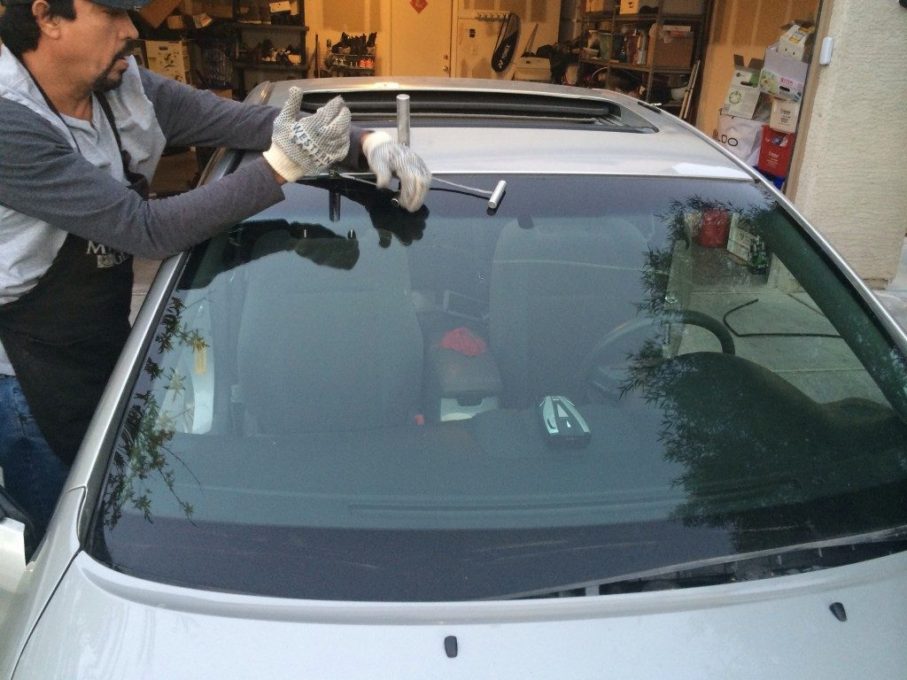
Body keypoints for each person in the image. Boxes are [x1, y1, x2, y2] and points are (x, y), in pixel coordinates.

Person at [0, 0, 431, 537]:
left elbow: (244, 122)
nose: (132, 30)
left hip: (103, 345)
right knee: (66, 538)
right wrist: (283, 166)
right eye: (112, 14)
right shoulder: (9, 124)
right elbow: (145, 229)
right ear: (47, 18)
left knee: (112, 513)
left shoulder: (121, 85)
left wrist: (365, 140)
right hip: (29, 379)